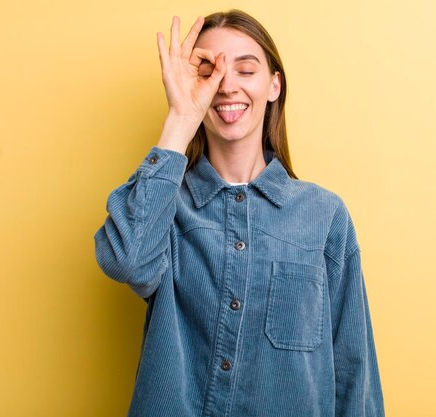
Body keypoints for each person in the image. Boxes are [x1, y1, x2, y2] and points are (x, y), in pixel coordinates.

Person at [94, 9, 385, 417]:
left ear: (274, 85)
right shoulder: (165, 206)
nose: (227, 86)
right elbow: (126, 261)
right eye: (209, 71)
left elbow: (354, 367)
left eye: (246, 70)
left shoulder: (324, 215)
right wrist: (181, 117)